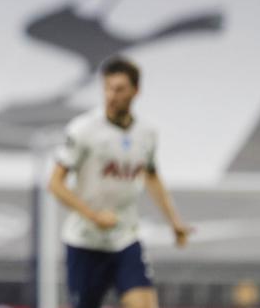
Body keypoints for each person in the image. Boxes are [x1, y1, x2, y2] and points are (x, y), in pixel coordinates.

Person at [48, 57, 193, 308]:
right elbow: (55, 184)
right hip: (85, 241)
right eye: (107, 88)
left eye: (119, 89)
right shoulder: (83, 129)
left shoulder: (146, 133)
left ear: (136, 91)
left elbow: (152, 176)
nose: (111, 95)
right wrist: (93, 216)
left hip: (125, 237)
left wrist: (174, 222)